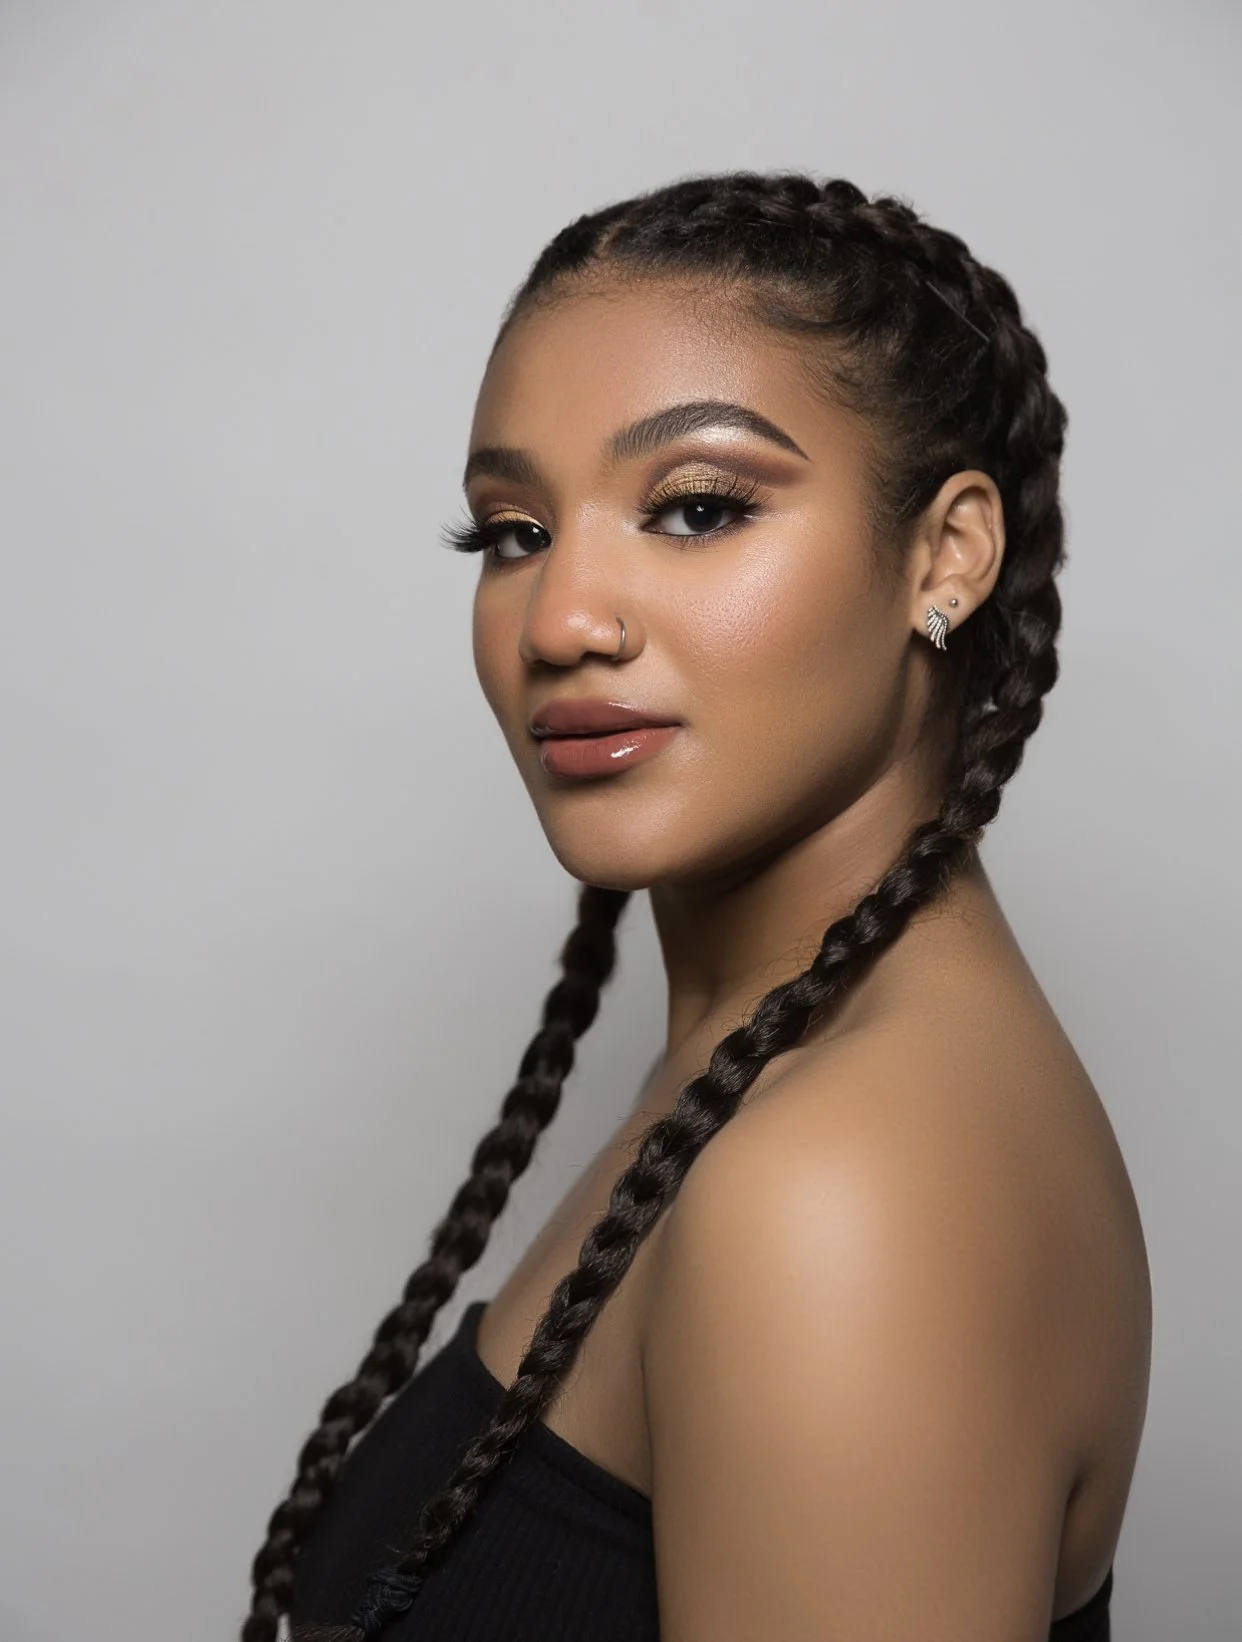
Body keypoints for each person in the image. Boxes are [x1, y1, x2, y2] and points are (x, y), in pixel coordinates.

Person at [241, 171, 1151, 1641]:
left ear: (945, 554)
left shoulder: (843, 1189)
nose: (561, 621)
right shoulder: (778, 1070)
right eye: (513, 533)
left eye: (696, 508)